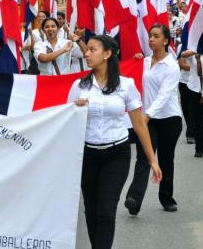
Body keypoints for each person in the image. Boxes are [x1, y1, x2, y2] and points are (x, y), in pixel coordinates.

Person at [68, 35, 161, 248]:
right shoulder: (79, 86)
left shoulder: (126, 85)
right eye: (87, 50)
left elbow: (139, 125)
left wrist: (152, 160)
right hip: (87, 155)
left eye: (92, 50)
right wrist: (75, 108)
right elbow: (67, 121)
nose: (86, 54)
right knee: (91, 211)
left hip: (116, 154)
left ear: (108, 53)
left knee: (106, 212)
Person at [125, 24, 183, 214]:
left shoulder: (172, 66)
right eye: (150, 36)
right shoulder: (144, 61)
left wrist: (147, 115)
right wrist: (135, 61)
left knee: (166, 159)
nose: (151, 39)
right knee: (144, 156)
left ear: (165, 41)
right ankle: (134, 199)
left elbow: (164, 95)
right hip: (148, 119)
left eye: (156, 36)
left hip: (168, 119)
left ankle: (166, 198)